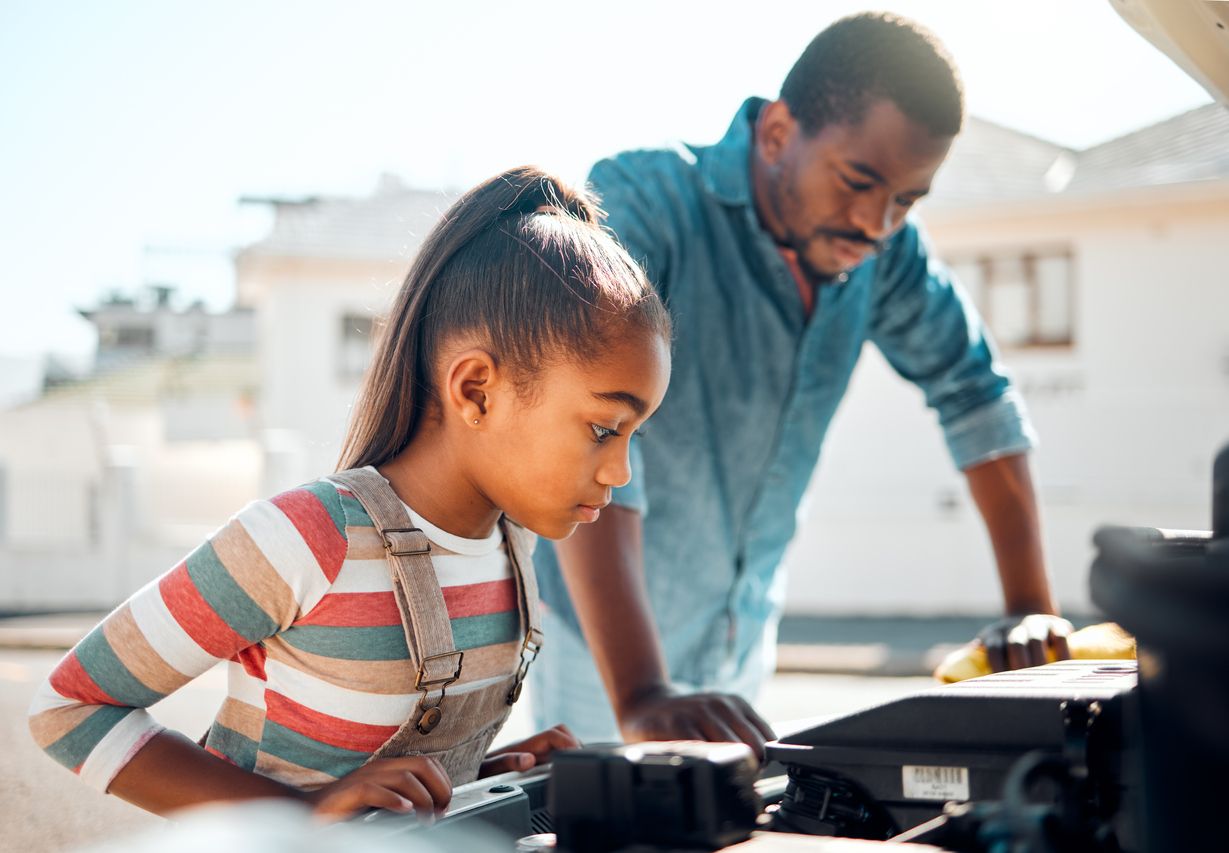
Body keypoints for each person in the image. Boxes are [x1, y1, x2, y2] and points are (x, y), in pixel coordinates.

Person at [28, 166, 672, 820]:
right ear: (476, 389)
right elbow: (69, 709)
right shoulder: (307, 538)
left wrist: (479, 776)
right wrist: (305, 815)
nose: (619, 471)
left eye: (633, 436)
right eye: (602, 428)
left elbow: (373, 776)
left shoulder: (513, 548)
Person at [530, 12, 1073, 750]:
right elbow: (587, 412)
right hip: (604, 651)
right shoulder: (641, 200)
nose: (877, 223)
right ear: (780, 132)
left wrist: (1030, 612)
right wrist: (642, 689)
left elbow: (975, 392)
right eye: (858, 182)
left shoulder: (887, 254)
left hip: (741, 640)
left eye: (907, 200)